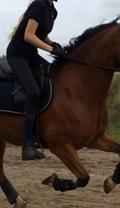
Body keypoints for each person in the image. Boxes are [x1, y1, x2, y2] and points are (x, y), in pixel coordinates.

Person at [7, 0, 66, 161]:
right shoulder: (39, 5)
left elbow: (40, 33)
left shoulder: (52, 10)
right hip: (18, 54)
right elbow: (28, 35)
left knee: (54, 76)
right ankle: (27, 145)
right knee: (33, 92)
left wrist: (53, 43)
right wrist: (51, 50)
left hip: (31, 55)